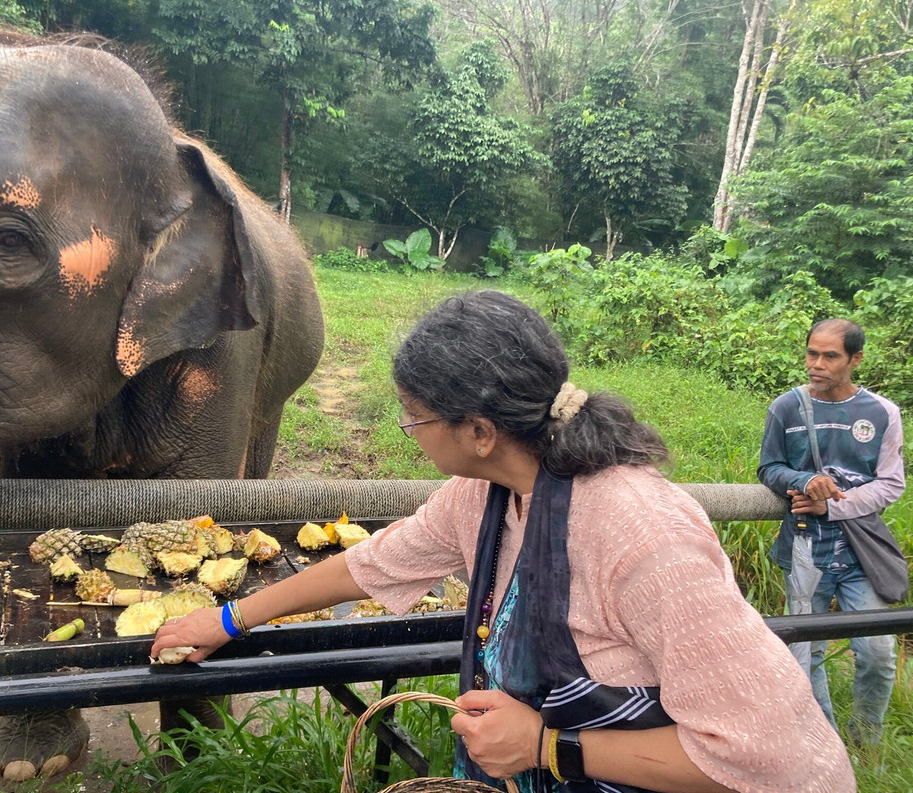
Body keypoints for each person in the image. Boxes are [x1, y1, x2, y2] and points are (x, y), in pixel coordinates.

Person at [154, 291, 854, 792]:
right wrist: (225, 619)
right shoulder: (486, 494)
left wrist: (547, 746)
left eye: (413, 419)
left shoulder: (641, 536)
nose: (410, 432)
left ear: (480, 431)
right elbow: (369, 565)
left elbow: (763, 758)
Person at [758, 318, 905, 746]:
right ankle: (828, 743)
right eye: (811, 353)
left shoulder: (881, 413)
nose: (816, 364)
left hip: (861, 554)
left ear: (855, 359)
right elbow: (768, 467)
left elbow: (892, 482)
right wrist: (803, 482)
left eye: (830, 356)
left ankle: (867, 741)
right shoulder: (786, 407)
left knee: (877, 653)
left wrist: (835, 506)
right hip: (804, 549)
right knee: (807, 653)